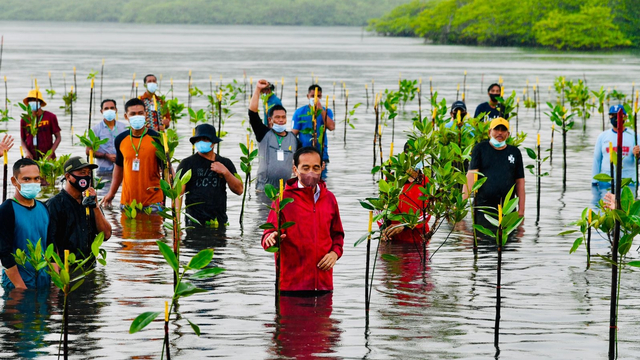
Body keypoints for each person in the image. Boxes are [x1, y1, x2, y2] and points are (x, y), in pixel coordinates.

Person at [261, 147, 344, 294]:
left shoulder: (329, 198)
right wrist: (271, 238)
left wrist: (334, 253)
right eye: (305, 168)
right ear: (295, 169)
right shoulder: (282, 199)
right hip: (291, 287)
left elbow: (337, 235)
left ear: (322, 168)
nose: (311, 172)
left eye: (316, 168)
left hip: (323, 285)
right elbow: (268, 236)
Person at [99, 98, 164, 209]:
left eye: (140, 113)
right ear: (126, 116)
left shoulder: (157, 138)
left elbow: (166, 168)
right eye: (133, 114)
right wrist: (111, 193)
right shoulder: (121, 139)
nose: (137, 116)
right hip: (127, 203)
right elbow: (119, 168)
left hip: (153, 202)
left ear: (146, 115)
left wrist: (173, 195)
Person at [176, 124, 243, 226]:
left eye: (205, 139)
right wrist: (176, 224)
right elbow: (178, 195)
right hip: (194, 222)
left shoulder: (225, 162)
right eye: (198, 140)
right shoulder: (187, 163)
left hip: (219, 221)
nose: (201, 142)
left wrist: (225, 172)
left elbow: (239, 190)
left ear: (213, 142)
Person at [0, 159, 50, 290]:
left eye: (36, 178)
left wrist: (55, 285)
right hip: (18, 286)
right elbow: (5, 254)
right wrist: (20, 287)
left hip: (43, 282)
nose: (32, 183)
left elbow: (51, 247)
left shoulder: (44, 208)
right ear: (14, 181)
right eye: (26, 179)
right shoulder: (6, 210)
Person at [47, 156, 112, 258]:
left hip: (89, 266)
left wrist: (96, 206)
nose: (86, 176)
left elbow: (106, 235)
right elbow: (50, 241)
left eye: (88, 173)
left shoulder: (90, 202)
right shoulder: (55, 204)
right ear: (68, 176)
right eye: (82, 173)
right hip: (66, 267)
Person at [464, 118, 525, 219]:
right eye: (496, 129)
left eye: (503, 130)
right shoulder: (480, 149)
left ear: (508, 134)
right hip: (483, 209)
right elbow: (471, 177)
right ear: (489, 132)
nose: (500, 133)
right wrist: (461, 204)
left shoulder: (515, 152)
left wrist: (521, 211)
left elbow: (520, 182)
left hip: (508, 210)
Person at [249, 79, 300, 192]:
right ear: (270, 120)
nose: (281, 120)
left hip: (286, 190)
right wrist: (257, 89)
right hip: (264, 188)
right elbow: (252, 114)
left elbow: (304, 159)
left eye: (283, 117)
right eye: (277, 117)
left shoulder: (293, 139)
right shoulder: (263, 134)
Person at [591, 105, 640, 206]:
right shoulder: (603, 136)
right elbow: (597, 160)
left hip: (629, 182)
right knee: (607, 210)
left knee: (628, 211)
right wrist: (594, 182)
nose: (615, 118)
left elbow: (638, 161)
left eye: (618, 116)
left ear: (625, 117)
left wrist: (638, 155)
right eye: (612, 115)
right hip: (607, 183)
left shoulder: (634, 136)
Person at [291, 85, 335, 177]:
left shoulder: (327, 112)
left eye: (318, 96)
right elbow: (293, 134)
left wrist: (320, 110)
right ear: (308, 96)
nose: (315, 99)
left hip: (321, 155)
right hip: (303, 155)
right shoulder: (300, 112)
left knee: (321, 184)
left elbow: (331, 127)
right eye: (313, 96)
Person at [87, 99, 128, 176]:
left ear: (116, 110)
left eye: (112, 108)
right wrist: (105, 156)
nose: (109, 110)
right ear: (101, 111)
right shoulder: (95, 129)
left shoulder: (124, 128)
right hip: (103, 170)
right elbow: (88, 151)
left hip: (123, 169)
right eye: (106, 108)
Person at [20, 89, 61, 160]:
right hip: (31, 158)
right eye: (30, 100)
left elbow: (58, 137)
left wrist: (50, 154)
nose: (32, 102)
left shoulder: (50, 117)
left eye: (35, 100)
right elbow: (22, 140)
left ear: (40, 102)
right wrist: (27, 152)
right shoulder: (24, 119)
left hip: (48, 157)